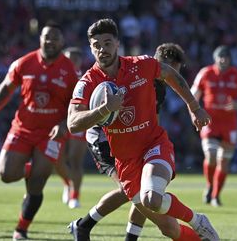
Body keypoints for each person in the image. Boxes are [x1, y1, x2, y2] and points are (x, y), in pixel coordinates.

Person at [67, 18, 219, 241]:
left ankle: (197, 222)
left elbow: (171, 74)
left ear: (118, 43)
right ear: (90, 48)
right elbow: (72, 124)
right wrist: (103, 110)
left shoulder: (142, 65)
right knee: (167, 227)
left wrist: (194, 107)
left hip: (153, 144)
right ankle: (198, 234)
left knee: (151, 199)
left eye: (107, 43)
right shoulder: (87, 82)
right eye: (96, 45)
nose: (102, 49)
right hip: (124, 158)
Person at [70, 43, 187, 241]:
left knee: (140, 187)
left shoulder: (160, 87)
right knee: (130, 189)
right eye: (170, 68)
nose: (172, 75)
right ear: (161, 64)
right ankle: (83, 225)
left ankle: (93, 228)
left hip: (131, 140)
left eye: (176, 70)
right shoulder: (142, 75)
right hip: (103, 137)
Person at [0, 22, 78, 241]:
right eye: (47, 37)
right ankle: (29, 168)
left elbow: (78, 103)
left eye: (55, 38)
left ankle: (21, 229)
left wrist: (64, 124)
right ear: (40, 39)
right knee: (5, 174)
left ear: (61, 42)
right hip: (22, 128)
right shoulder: (24, 63)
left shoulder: (70, 70)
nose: (50, 41)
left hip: (51, 134)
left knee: (37, 184)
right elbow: (5, 88)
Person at [191, 45, 237, 207]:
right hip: (210, 122)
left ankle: (215, 196)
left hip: (229, 124)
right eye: (220, 57)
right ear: (215, 58)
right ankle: (209, 185)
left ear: (230, 59)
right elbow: (192, 95)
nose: (223, 60)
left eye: (226, 57)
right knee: (211, 155)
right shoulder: (206, 73)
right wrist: (195, 112)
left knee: (224, 162)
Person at [58, 46, 87, 209]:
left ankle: (75, 195)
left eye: (75, 59)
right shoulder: (57, 76)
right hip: (60, 121)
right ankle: (67, 182)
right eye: (69, 59)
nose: (72, 62)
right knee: (57, 158)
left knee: (75, 160)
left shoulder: (85, 78)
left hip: (78, 121)